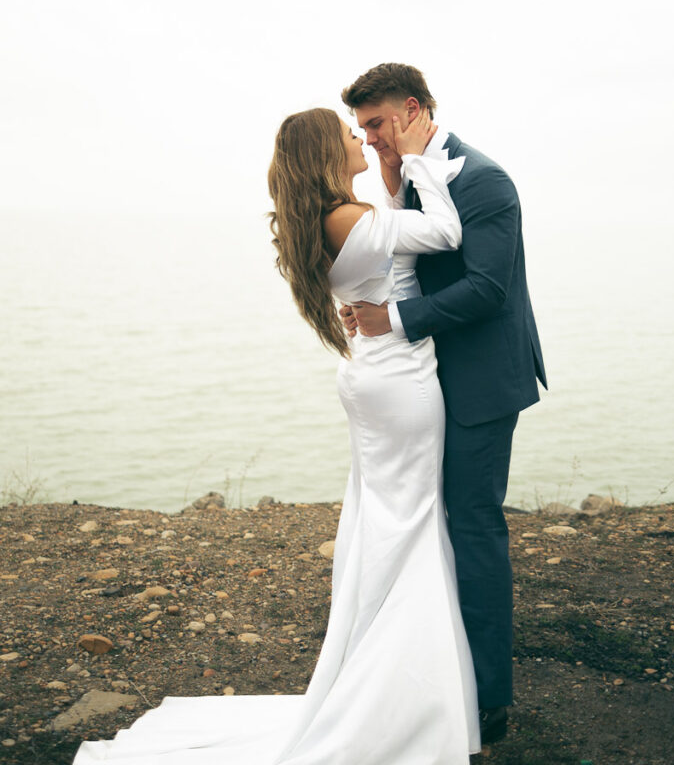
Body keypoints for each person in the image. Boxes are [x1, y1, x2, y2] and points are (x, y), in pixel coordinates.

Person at [72, 105, 481, 764]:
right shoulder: (354, 221)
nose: (358, 138)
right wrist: (418, 160)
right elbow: (446, 232)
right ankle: (396, 696)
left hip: (373, 384)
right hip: (399, 389)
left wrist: (392, 173)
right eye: (349, 134)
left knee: (385, 524)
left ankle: (381, 670)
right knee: (407, 529)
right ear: (325, 151)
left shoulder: (331, 222)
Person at [340, 62, 547, 745]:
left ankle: (487, 697)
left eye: (375, 125)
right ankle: (429, 663)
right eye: (362, 130)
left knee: (473, 528)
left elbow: (486, 288)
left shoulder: (483, 179)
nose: (368, 140)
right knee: (428, 524)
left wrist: (391, 322)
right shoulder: (402, 180)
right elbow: (406, 258)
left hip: (481, 383)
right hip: (424, 382)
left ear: (408, 109)